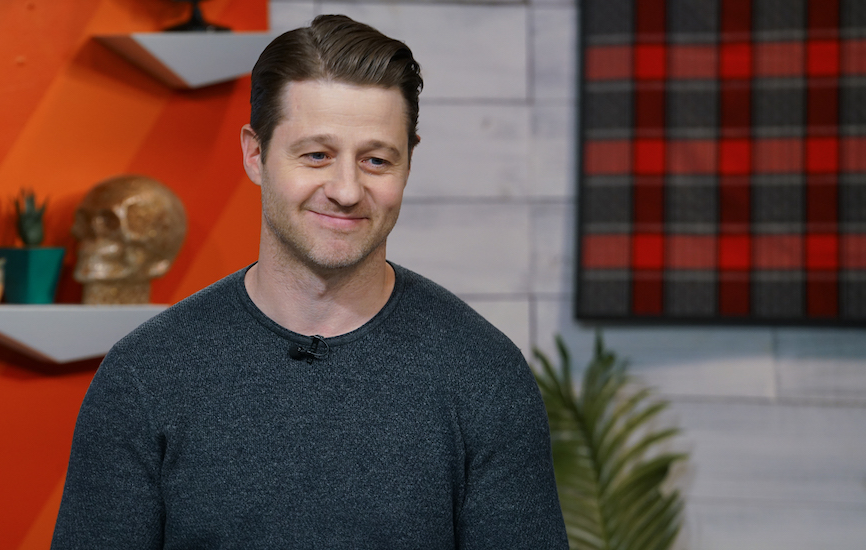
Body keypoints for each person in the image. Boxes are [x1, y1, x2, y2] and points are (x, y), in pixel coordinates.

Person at [52, 14, 569, 549]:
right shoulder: (144, 375)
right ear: (255, 154)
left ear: (409, 162)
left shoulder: (484, 374)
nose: (346, 190)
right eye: (316, 155)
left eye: (376, 160)